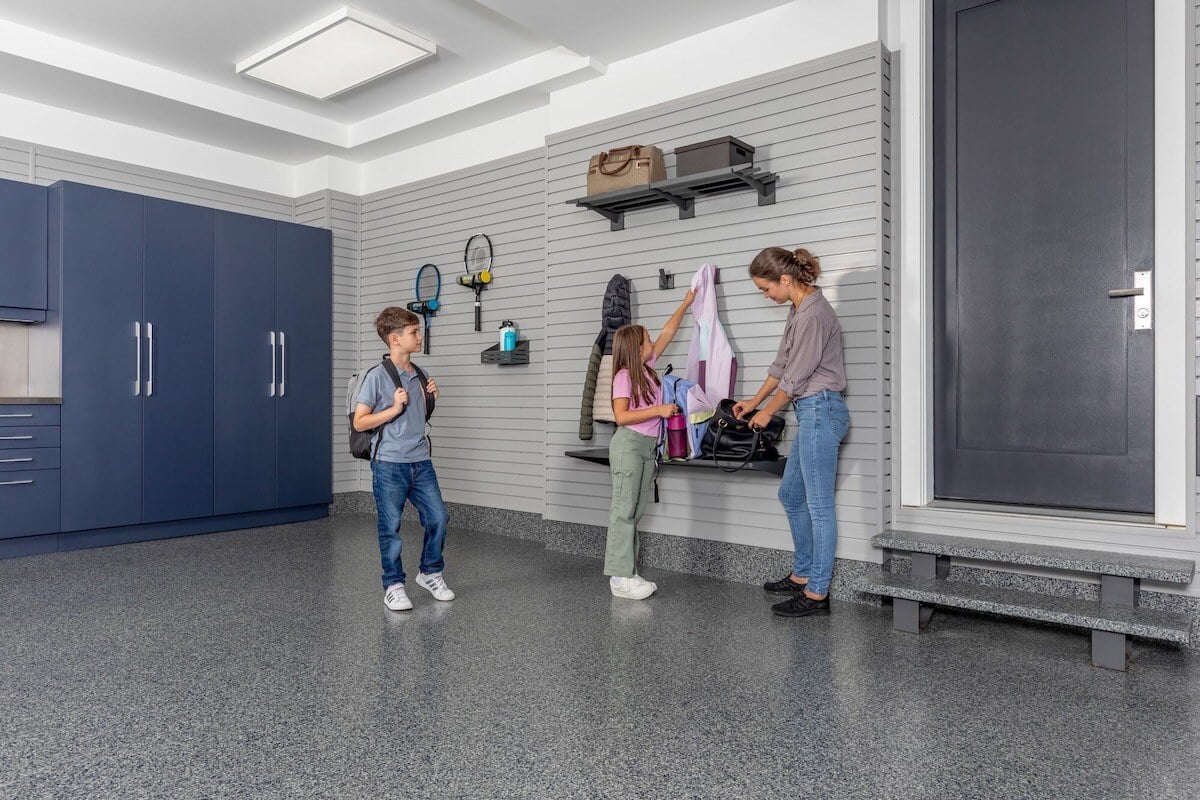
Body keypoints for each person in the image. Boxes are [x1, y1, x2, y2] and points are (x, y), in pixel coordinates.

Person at [733, 248, 849, 618]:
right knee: (791, 494)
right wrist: (754, 400)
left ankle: (817, 594)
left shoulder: (814, 314)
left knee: (818, 506)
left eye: (765, 289)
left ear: (785, 280)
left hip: (821, 410)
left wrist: (768, 412)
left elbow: (796, 377)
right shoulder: (798, 309)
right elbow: (782, 365)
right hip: (810, 411)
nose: (765, 295)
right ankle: (801, 575)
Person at [353, 307, 452, 611]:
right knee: (390, 526)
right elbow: (360, 422)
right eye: (414, 332)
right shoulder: (376, 376)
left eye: (418, 331)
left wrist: (430, 398)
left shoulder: (418, 374)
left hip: (421, 462)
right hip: (389, 464)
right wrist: (393, 409)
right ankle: (394, 585)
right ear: (395, 339)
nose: (419, 336)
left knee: (439, 518)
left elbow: (418, 419)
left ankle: (430, 572)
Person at [604, 290, 695, 599]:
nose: (652, 342)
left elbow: (669, 332)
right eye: (646, 340)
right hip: (629, 445)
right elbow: (620, 415)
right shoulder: (625, 376)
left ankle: (629, 572)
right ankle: (619, 578)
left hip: (645, 448)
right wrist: (659, 410)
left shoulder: (646, 368)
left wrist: (686, 302)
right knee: (623, 511)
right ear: (635, 348)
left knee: (636, 510)